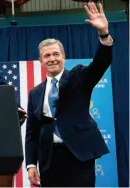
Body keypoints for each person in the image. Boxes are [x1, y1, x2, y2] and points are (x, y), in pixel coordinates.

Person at [25, 2, 114, 187]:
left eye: (56, 54)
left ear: (64, 56)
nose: (52, 59)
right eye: (47, 56)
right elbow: (32, 133)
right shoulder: (35, 93)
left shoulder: (79, 76)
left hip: (79, 156)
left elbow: (100, 63)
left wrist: (103, 34)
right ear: (41, 61)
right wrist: (31, 164)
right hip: (49, 159)